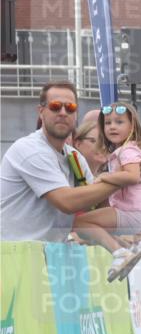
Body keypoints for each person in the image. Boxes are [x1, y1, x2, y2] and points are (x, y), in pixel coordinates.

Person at [0, 81, 118, 241]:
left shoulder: (74, 157)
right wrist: (121, 180)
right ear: (41, 112)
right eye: (55, 106)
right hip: (16, 257)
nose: (63, 112)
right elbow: (66, 202)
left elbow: (95, 204)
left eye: (70, 108)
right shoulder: (29, 149)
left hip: (51, 255)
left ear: (76, 115)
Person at [71, 102, 141, 282]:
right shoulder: (123, 151)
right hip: (132, 214)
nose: (112, 127)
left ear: (132, 126)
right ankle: (126, 250)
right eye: (108, 123)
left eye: (119, 122)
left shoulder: (127, 150)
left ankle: (119, 252)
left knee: (79, 222)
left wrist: (104, 177)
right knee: (88, 225)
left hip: (129, 212)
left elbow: (132, 176)